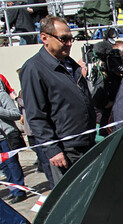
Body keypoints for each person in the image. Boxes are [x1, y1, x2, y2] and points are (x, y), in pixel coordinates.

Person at [19, 15, 96, 184]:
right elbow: (35, 115)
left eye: (71, 39)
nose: (69, 44)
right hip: (66, 151)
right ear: (45, 38)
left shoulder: (70, 65)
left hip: (85, 144)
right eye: (64, 39)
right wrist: (52, 149)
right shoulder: (34, 69)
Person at [0, 87, 27, 203]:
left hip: (6, 136)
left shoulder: (2, 95)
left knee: (12, 164)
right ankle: (12, 190)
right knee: (4, 166)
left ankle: (20, 191)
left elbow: (16, 114)